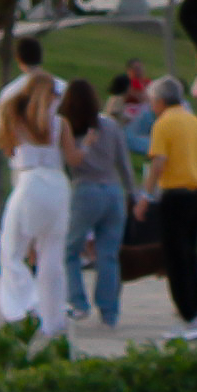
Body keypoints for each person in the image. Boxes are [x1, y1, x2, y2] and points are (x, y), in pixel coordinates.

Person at [0, 70, 74, 339]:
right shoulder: (60, 123)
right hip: (58, 186)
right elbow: (72, 157)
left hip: (30, 183)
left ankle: (26, 302)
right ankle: (54, 319)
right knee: (52, 257)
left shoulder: (16, 119)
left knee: (10, 250)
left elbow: (7, 149)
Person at [138, 73, 197, 332]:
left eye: (151, 101)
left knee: (174, 256)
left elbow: (158, 162)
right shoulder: (195, 122)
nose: (151, 106)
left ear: (159, 101)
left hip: (175, 194)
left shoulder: (164, 124)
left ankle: (188, 312)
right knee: (190, 253)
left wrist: (145, 196)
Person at [61, 76, 134, 328]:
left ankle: (78, 303)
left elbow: (70, 163)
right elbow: (124, 163)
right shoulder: (110, 125)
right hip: (114, 191)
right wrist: (132, 193)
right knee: (108, 255)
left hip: (85, 190)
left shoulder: (69, 130)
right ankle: (109, 311)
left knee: (70, 250)